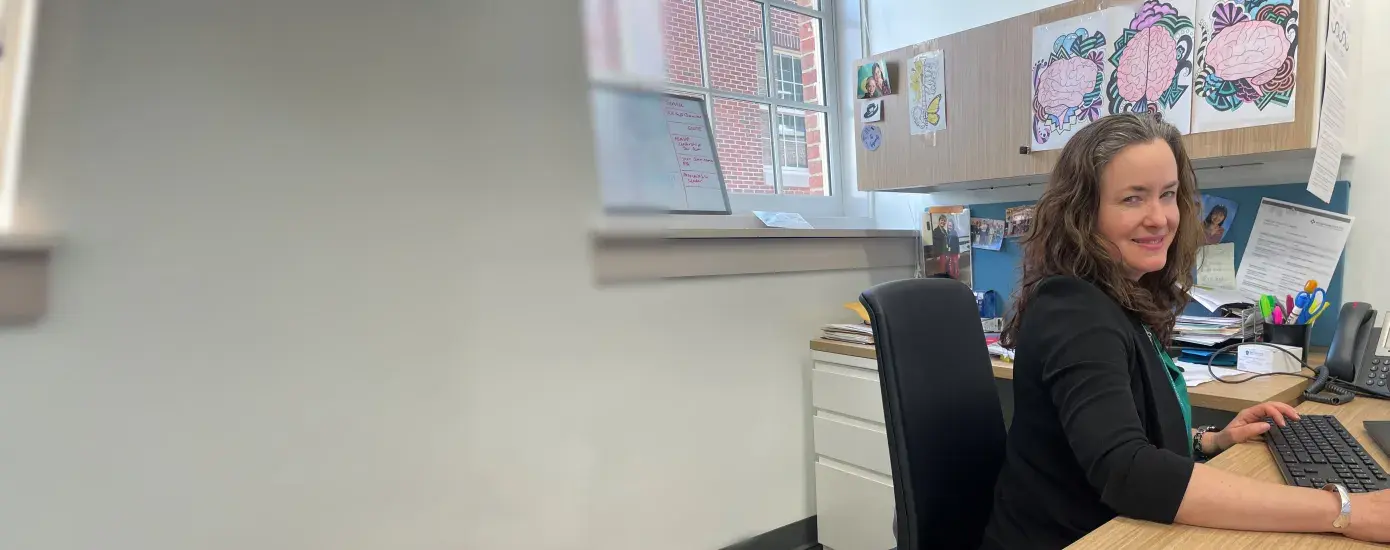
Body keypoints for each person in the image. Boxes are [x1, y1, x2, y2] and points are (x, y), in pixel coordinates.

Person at [980, 113, 1390, 548]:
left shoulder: (1118, 296)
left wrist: (1211, 440)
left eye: (1168, 195)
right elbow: (1128, 472)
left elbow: (1115, 428)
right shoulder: (1075, 313)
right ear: (1084, 212)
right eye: (1133, 199)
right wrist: (1344, 510)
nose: (1160, 218)